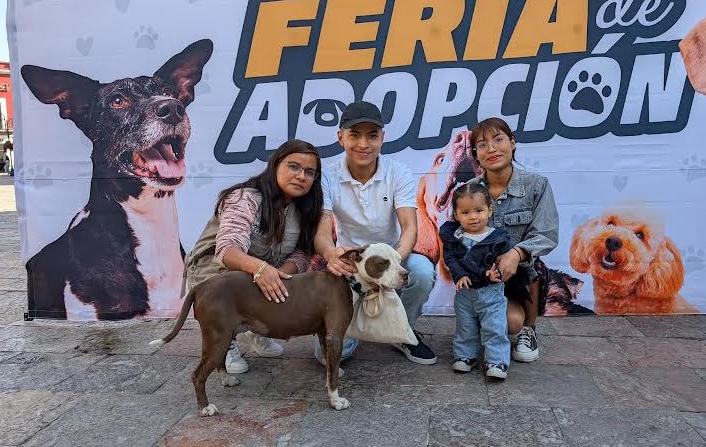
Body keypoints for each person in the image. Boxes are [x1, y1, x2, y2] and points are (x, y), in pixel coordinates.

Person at [184, 139, 324, 374]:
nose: (301, 176)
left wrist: (283, 275)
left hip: (263, 272)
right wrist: (261, 270)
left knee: (293, 284)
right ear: (276, 165)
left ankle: (259, 330)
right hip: (217, 272)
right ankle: (224, 340)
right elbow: (228, 249)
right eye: (294, 167)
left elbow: (303, 251)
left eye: (309, 172)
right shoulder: (245, 197)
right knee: (234, 283)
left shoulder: (305, 208)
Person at [314, 100, 437, 365]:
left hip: (394, 253)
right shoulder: (326, 175)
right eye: (354, 135)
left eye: (372, 135)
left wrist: (393, 263)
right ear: (340, 137)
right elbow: (323, 231)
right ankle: (355, 326)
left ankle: (401, 331)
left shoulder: (398, 172)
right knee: (326, 358)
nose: (363, 144)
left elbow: (410, 228)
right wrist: (332, 255)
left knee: (423, 272)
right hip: (352, 260)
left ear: (382, 138)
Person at [467, 117, 559, 362]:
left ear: (513, 142)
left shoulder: (536, 186)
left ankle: (528, 329)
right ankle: (479, 322)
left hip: (520, 275)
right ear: (476, 154)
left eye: (498, 140)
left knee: (514, 321)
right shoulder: (467, 191)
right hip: (483, 277)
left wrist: (516, 254)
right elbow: (456, 236)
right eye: (482, 144)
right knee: (496, 322)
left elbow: (546, 235)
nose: (492, 149)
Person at [440, 182, 518, 379]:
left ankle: (497, 361)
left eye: (479, 210)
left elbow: (502, 262)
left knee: (494, 326)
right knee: (465, 326)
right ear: (456, 215)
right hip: (465, 294)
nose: (473, 217)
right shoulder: (454, 237)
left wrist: (494, 274)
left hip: (490, 293)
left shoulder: (498, 238)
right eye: (465, 212)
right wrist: (460, 275)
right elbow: (450, 259)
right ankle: (465, 356)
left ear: (489, 211)